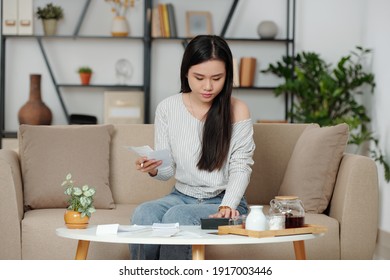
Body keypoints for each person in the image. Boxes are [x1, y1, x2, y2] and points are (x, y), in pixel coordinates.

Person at [130, 35, 255, 260]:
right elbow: (167, 171)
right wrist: (154, 168)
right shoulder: (168, 108)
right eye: (199, 77)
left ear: (227, 76)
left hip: (224, 200)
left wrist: (227, 206)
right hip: (181, 195)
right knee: (144, 212)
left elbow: (241, 166)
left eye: (217, 78)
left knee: (177, 216)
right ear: (186, 73)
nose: (208, 87)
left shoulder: (237, 110)